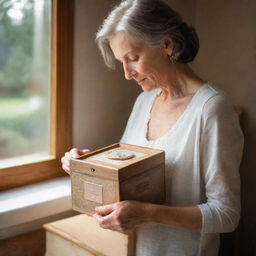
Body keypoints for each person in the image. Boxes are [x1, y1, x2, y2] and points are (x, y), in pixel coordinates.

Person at [61, 0, 244, 255]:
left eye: (133, 58)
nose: (127, 73)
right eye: (121, 62)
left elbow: (226, 214)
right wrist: (87, 167)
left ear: (167, 44)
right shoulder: (144, 101)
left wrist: (148, 213)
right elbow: (128, 177)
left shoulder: (212, 109)